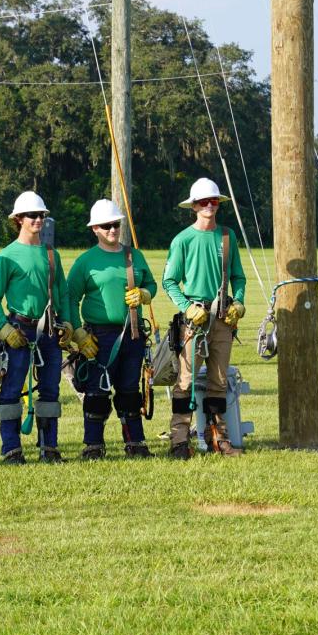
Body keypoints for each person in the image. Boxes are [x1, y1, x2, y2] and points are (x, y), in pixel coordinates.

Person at [0, 190, 77, 464]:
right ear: (19, 220)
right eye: (32, 215)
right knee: (11, 389)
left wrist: (69, 323)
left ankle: (49, 447)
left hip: (49, 328)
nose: (38, 219)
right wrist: (4, 328)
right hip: (18, 329)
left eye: (42, 215)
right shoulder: (6, 257)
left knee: (50, 388)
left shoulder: (51, 255)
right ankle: (11, 449)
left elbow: (61, 292)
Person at [66, 199, 158, 460]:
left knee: (130, 390)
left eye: (116, 224)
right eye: (106, 226)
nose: (112, 230)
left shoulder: (133, 256)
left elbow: (152, 284)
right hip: (100, 335)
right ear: (95, 229)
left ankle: (135, 443)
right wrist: (78, 334)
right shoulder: (86, 262)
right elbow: (70, 297)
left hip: (133, 332)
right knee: (97, 391)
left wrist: (144, 294)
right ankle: (93, 445)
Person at [162, 178, 247, 459]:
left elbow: (238, 276)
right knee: (185, 382)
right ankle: (179, 440)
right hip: (194, 320)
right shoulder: (182, 240)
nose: (209, 206)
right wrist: (187, 308)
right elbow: (170, 281)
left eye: (213, 201)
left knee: (219, 381)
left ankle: (219, 437)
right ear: (194, 207)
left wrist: (240, 303)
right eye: (203, 202)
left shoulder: (227, 236)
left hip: (222, 316)